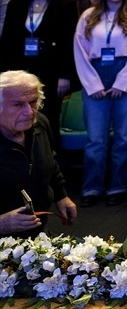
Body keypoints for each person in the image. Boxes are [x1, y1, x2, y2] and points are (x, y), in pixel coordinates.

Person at [73, 0, 127, 206]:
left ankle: (118, 185)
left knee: (124, 138)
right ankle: (92, 188)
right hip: (95, 74)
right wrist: (93, 84)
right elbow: (79, 49)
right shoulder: (88, 15)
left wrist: (122, 83)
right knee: (96, 139)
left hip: (125, 73)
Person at [0, 0, 76, 152]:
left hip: (51, 74)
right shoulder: (16, 6)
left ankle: (49, 165)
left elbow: (69, 43)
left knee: (47, 121)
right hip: (18, 74)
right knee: (15, 121)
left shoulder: (65, 6)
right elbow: (7, 43)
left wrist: (65, 75)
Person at [0, 70, 77, 236]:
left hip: (36, 236)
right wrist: (2, 223)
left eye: (33, 102)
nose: (29, 112)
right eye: (18, 105)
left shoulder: (40, 123)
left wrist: (61, 195)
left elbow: (50, 160)